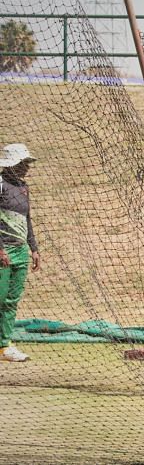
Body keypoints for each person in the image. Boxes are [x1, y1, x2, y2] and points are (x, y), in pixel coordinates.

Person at [0, 143, 41, 362]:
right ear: (11, 164)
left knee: (11, 300)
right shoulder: (0, 184)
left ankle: (4, 345)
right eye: (23, 163)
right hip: (2, 251)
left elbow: (27, 219)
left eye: (27, 163)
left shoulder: (23, 187)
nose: (27, 168)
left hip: (20, 251)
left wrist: (33, 248)